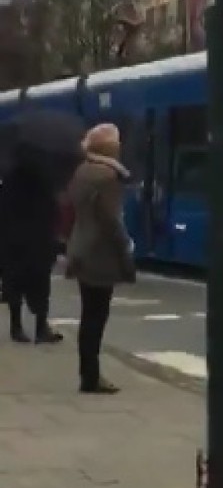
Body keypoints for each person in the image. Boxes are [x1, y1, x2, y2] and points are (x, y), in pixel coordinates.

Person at [65, 124, 135, 394]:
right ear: (109, 148)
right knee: (97, 316)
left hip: (82, 248)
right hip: (101, 254)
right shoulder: (108, 177)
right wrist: (126, 247)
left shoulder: (82, 172)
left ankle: (87, 372)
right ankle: (91, 377)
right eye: (117, 142)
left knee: (88, 315)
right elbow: (111, 220)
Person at [0, 146, 64, 344]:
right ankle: (40, 328)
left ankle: (16, 327)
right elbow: (53, 210)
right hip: (39, 239)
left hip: (12, 240)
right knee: (41, 285)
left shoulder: (9, 178)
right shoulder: (45, 179)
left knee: (14, 284)